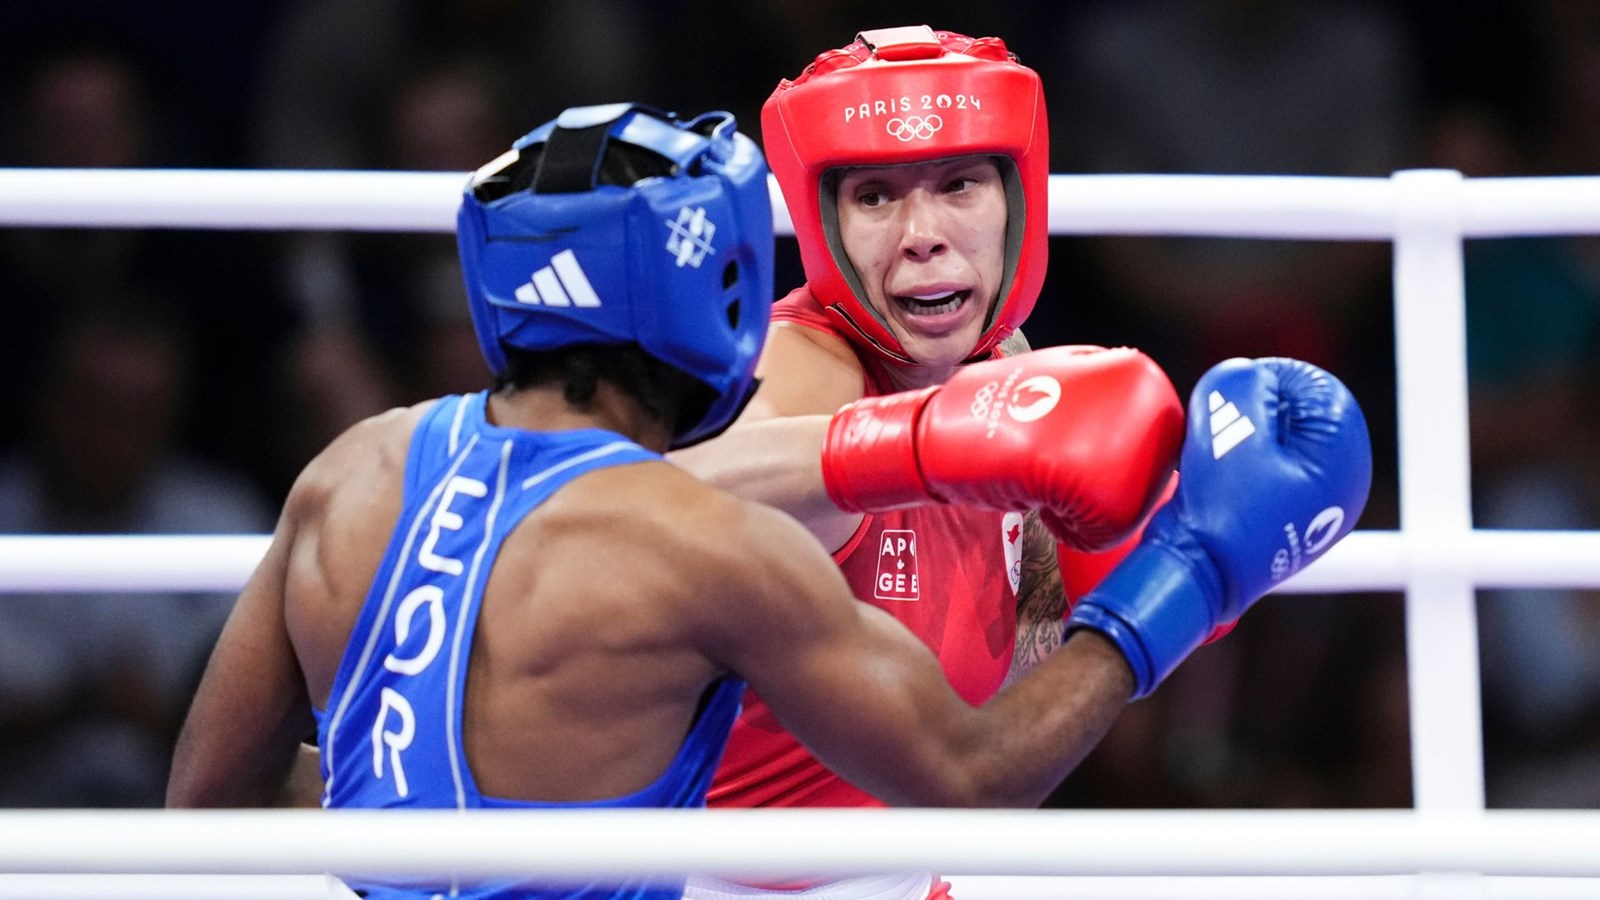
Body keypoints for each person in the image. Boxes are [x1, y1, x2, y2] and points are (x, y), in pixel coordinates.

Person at [166, 101, 1370, 900]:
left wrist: (430, 836)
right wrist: (1194, 571)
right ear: (716, 287)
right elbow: (970, 776)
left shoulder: (349, 472)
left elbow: (209, 807)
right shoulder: (704, 548)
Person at [666, 26, 1366, 900]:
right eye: (876, 197)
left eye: (958, 184)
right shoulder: (806, 369)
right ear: (825, 224)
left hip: (908, 869)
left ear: (1017, 203)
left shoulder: (1006, 375)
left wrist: (1194, 564)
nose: (922, 234)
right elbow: (676, 486)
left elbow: (1016, 692)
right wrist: (920, 444)